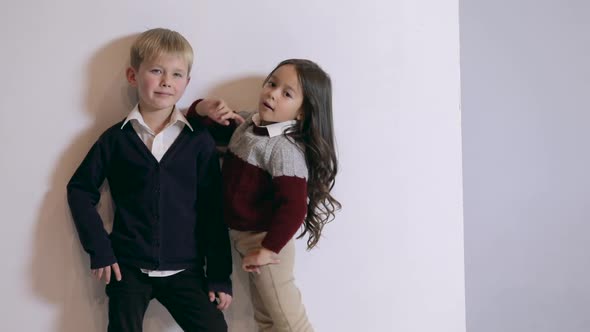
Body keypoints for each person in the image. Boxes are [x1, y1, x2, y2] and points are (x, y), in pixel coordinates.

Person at [67, 28, 232, 332]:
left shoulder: (199, 142)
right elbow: (79, 190)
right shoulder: (114, 140)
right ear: (133, 75)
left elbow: (213, 211)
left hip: (187, 269)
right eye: (156, 71)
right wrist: (100, 250)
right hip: (127, 268)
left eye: (177, 74)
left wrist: (220, 276)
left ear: (187, 83)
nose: (167, 81)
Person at [188, 58, 341, 332]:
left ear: (302, 113)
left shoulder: (284, 149)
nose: (272, 93)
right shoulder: (248, 124)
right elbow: (200, 129)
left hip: (266, 244)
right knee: (267, 319)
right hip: (248, 241)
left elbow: (294, 207)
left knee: (288, 321)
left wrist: (268, 249)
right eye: (272, 84)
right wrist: (203, 108)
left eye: (287, 93)